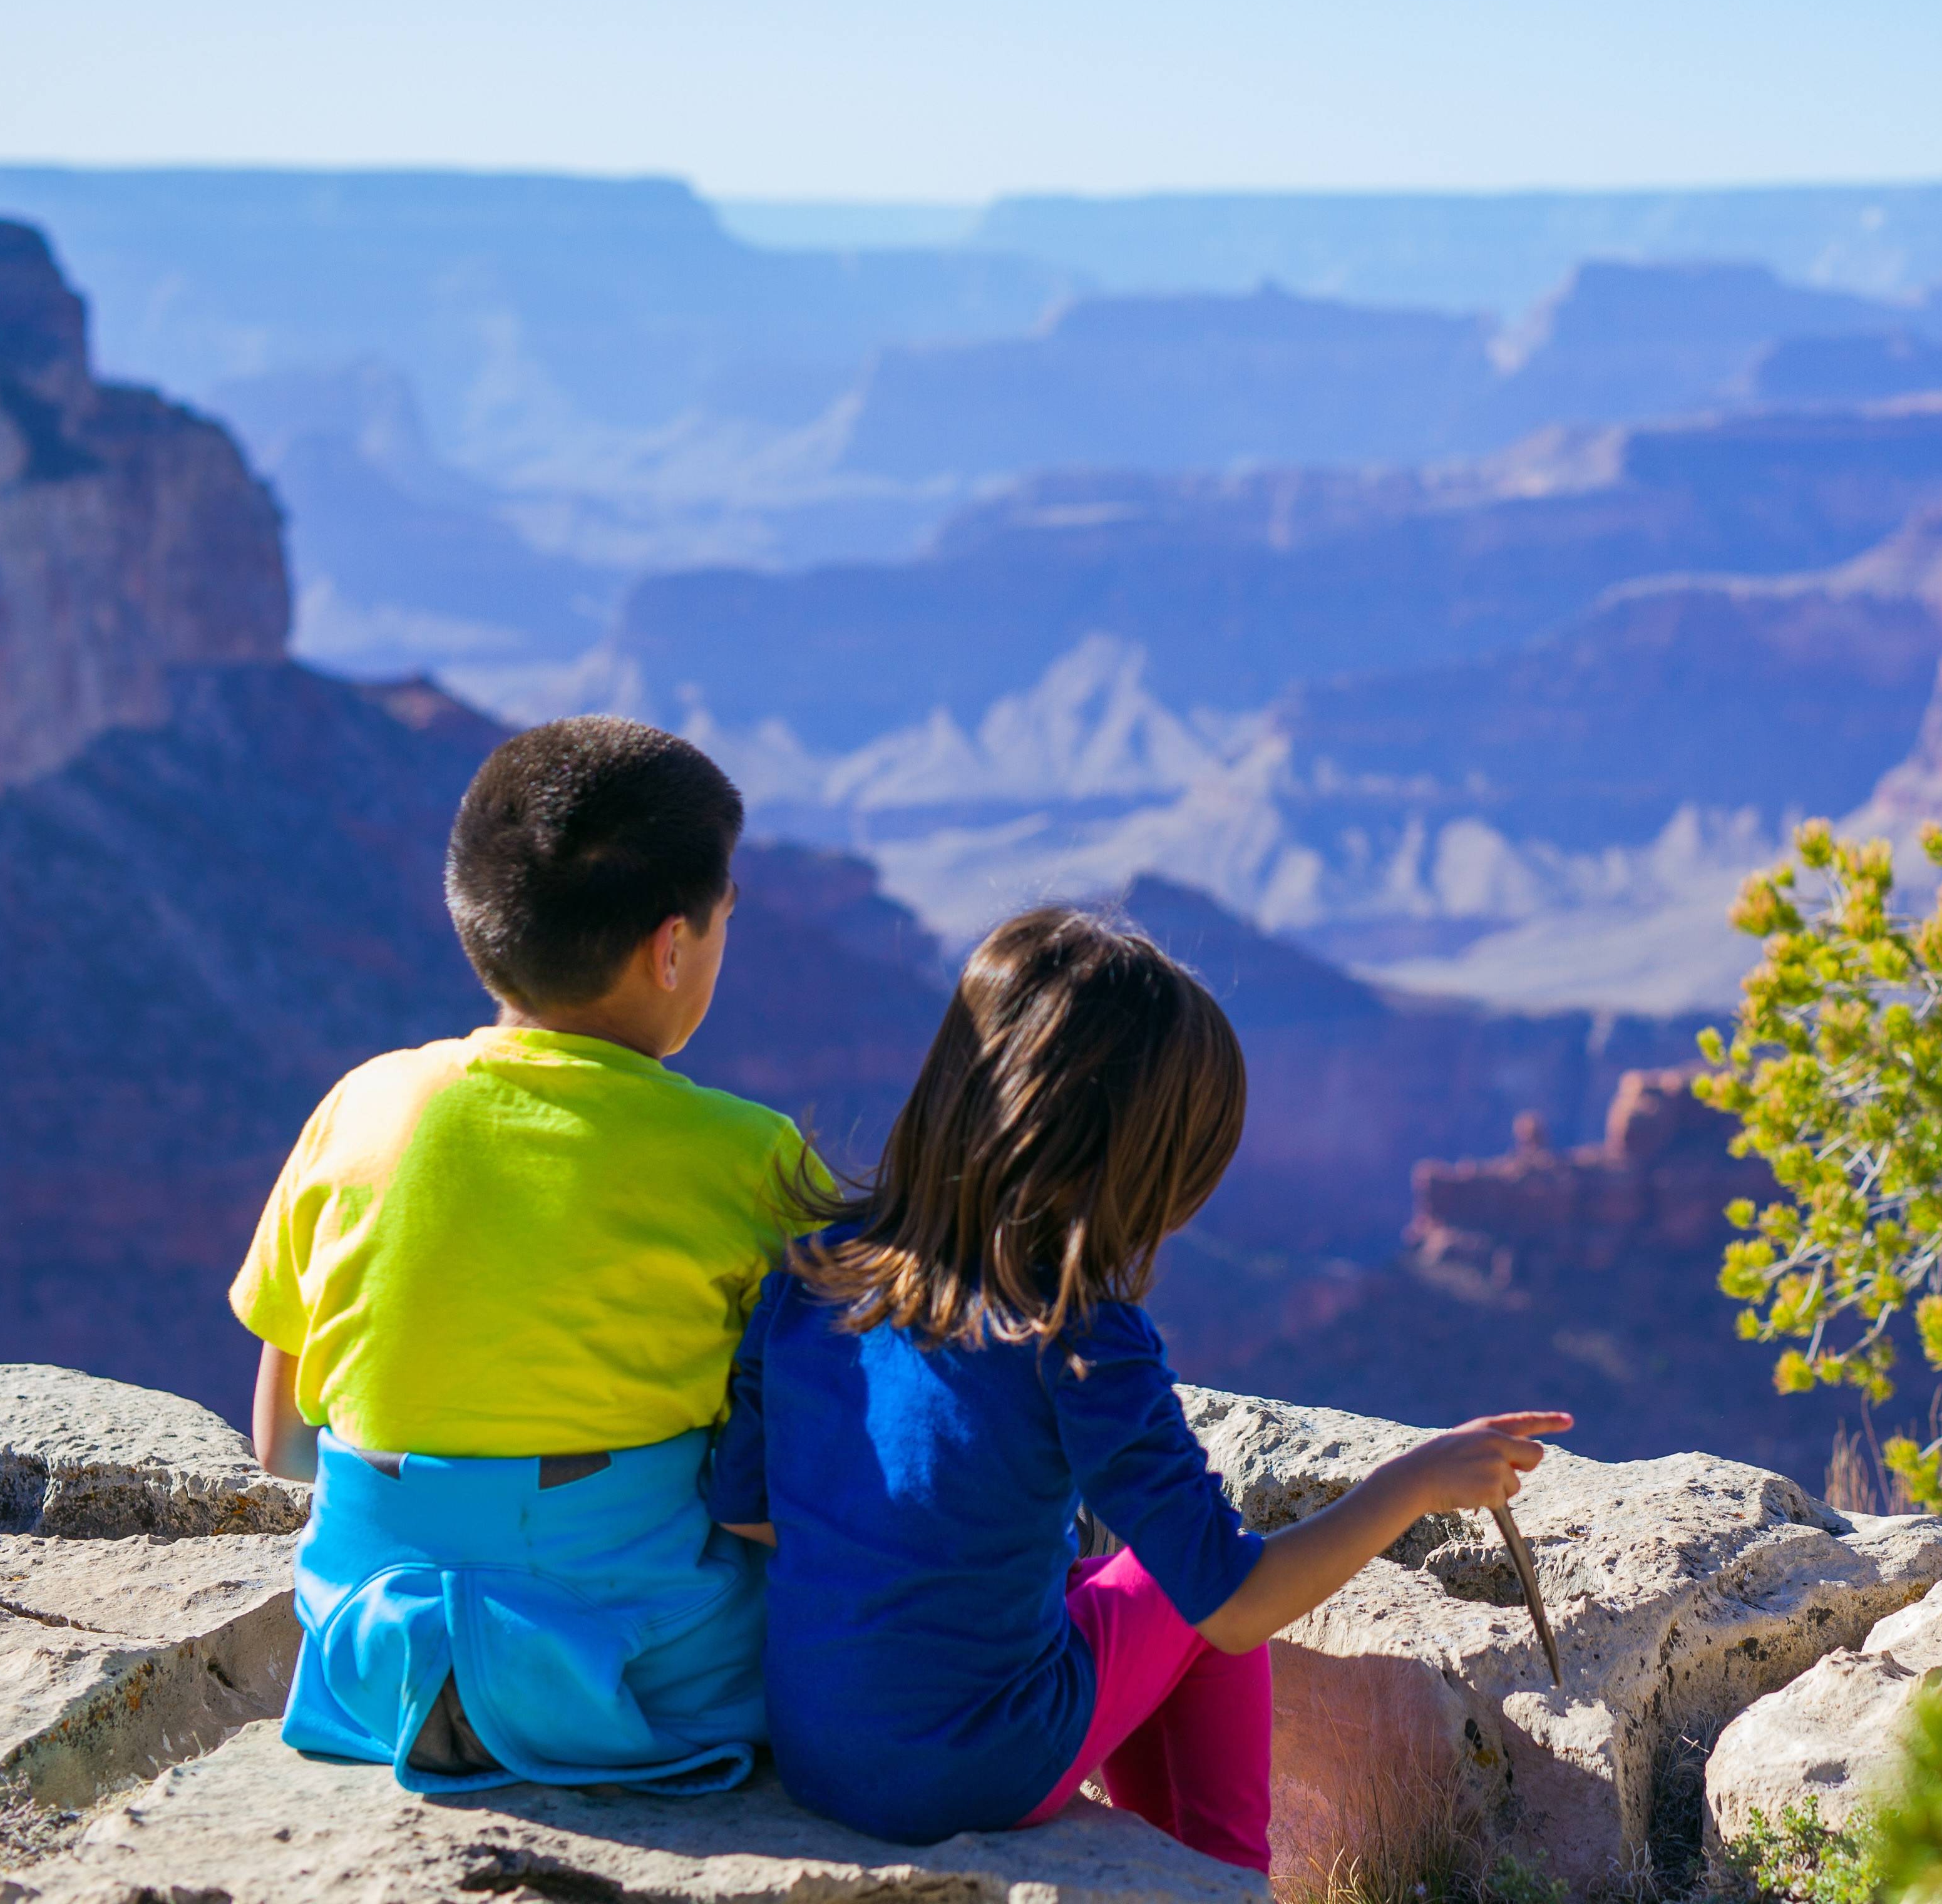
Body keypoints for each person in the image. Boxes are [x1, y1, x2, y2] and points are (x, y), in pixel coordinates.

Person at [709, 907, 1568, 1873]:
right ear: (1136, 1160)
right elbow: (1234, 1604)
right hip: (976, 1771)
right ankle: (1224, 1879)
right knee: (1181, 1579)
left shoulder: (814, 1272)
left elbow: (749, 1514)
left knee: (1097, 1582)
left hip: (817, 1752)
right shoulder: (1077, 1335)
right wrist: (1416, 1480)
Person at [229, 716, 813, 1794]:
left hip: (377, 1667)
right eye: (725, 917)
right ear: (671, 947)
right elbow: (805, 1467)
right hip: (648, 1679)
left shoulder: (362, 1106)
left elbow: (279, 1443)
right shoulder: (753, 1158)